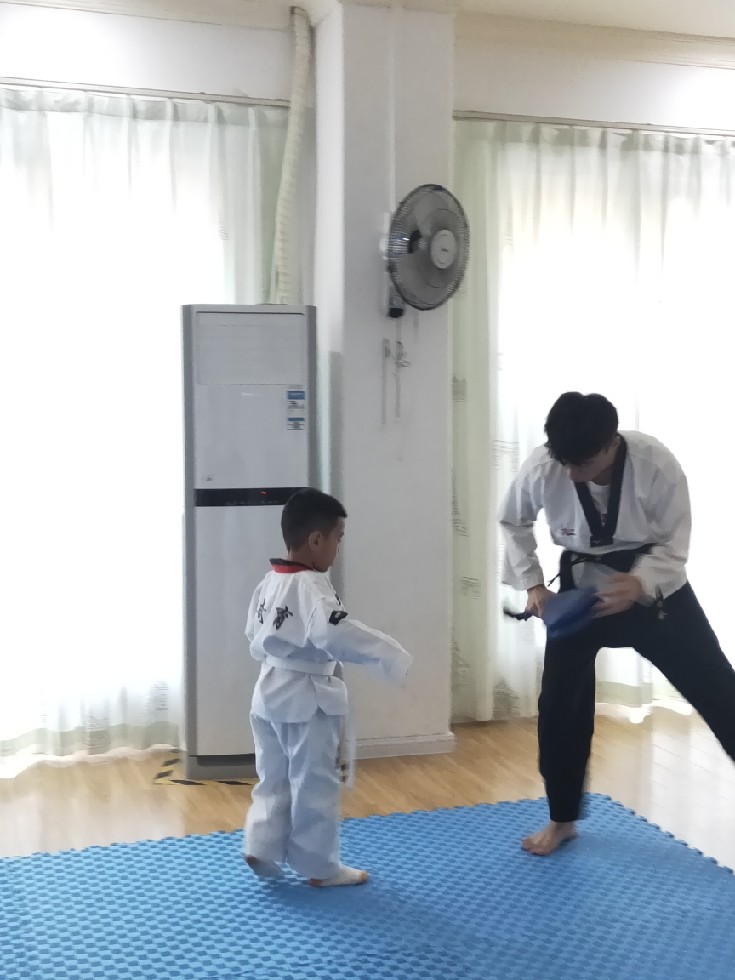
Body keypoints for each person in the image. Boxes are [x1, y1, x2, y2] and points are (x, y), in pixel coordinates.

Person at [499, 392, 735, 856]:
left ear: (611, 443)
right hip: (580, 587)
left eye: (582, 463)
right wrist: (533, 584)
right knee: (560, 706)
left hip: (653, 585)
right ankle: (562, 819)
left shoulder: (655, 464)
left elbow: (676, 543)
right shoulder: (545, 466)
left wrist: (640, 582)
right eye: (564, 461)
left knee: (717, 688)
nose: (571, 473)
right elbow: (512, 520)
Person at [243, 488, 412, 886]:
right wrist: (389, 653)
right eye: (338, 538)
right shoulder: (312, 586)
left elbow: (252, 632)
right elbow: (334, 634)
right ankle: (319, 866)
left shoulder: (270, 581)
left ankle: (261, 845)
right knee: (313, 783)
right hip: (306, 699)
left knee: (273, 776)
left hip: (267, 692)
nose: (338, 548)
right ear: (317, 540)